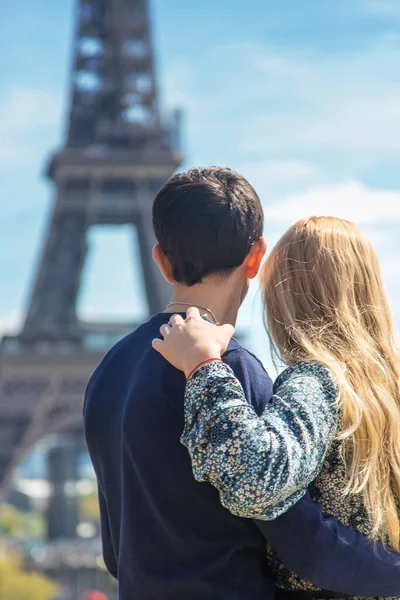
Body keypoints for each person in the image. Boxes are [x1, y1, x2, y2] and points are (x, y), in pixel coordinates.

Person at [84, 169, 400, 600]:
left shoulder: (108, 370)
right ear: (255, 258)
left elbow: (115, 553)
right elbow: (294, 534)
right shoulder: (233, 368)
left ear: (161, 259)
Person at [153, 215, 400, 598]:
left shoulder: (317, 382)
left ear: (288, 297)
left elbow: (255, 482)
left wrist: (203, 366)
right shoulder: (388, 390)